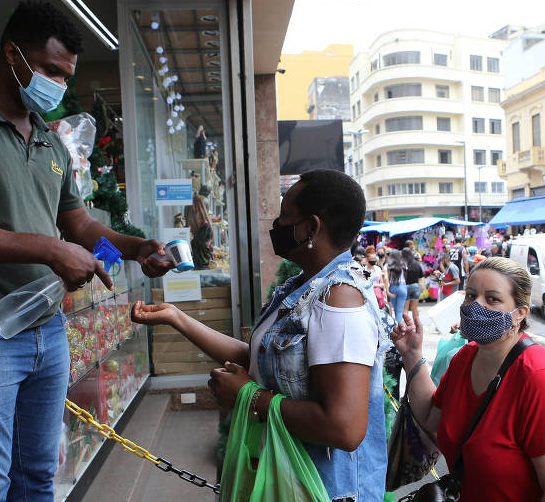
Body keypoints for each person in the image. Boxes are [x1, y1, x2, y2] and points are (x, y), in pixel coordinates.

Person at [0, 2, 174, 501]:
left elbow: (80, 224)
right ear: (11, 55)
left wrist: (135, 250)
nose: (58, 84)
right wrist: (50, 250)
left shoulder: (50, 144)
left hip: (46, 332)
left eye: (65, 76)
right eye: (49, 70)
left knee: (37, 478)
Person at [131, 169, 391, 501]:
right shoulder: (304, 287)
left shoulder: (338, 298)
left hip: (326, 490)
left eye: (285, 217)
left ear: (311, 227)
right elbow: (260, 359)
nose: (276, 226)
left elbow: (344, 427)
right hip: (290, 480)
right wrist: (177, 318)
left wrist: (250, 397)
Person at [390, 257, 545, 501]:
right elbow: (430, 418)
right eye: (471, 295)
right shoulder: (464, 358)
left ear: (519, 314)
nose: (475, 305)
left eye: (492, 299)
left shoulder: (541, 378)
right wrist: (411, 355)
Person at [401, 247, 424, 324]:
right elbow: (421, 277)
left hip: (405, 287)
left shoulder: (402, 264)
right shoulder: (417, 264)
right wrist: (422, 286)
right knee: (414, 308)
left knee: (405, 309)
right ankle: (417, 324)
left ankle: (406, 325)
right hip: (415, 286)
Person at [386, 249, 407, 321]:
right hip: (403, 286)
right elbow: (406, 275)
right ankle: (400, 327)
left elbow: (386, 278)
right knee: (400, 311)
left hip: (393, 287)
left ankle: (399, 328)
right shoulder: (403, 264)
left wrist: (387, 291)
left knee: (395, 310)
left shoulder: (387, 265)